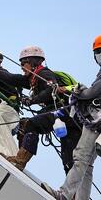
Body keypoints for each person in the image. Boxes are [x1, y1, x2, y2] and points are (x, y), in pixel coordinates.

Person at [0, 46, 82, 172]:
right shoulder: (32, 79)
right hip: (65, 117)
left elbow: (50, 90)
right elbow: (12, 78)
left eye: (23, 63)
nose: (21, 67)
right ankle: (71, 191)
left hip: (66, 112)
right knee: (67, 156)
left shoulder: (44, 74)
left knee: (30, 124)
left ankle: (20, 161)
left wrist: (32, 100)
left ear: (32, 62)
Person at [41, 35, 101, 200]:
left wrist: (79, 92)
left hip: (97, 122)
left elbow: (93, 93)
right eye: (98, 51)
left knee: (80, 156)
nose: (99, 55)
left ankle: (64, 195)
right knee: (87, 164)